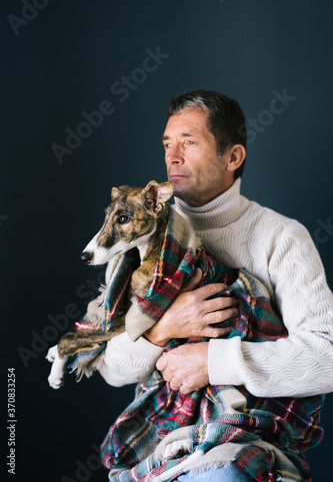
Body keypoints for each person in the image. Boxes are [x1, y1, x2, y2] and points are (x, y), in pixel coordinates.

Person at [98, 90, 333, 480]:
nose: (172, 156)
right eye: (167, 144)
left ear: (233, 157)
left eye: (189, 143)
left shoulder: (281, 237)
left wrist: (212, 361)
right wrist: (163, 328)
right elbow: (110, 368)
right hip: (163, 446)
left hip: (249, 448)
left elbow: (327, 354)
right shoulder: (139, 240)